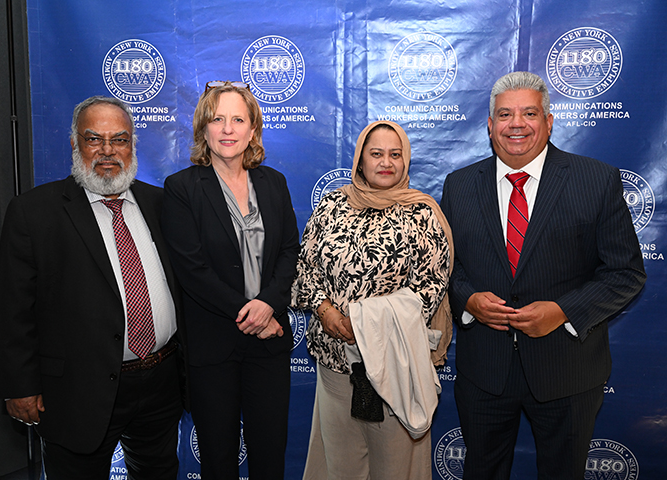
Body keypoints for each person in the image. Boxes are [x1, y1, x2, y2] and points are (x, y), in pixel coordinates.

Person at [440, 71, 646, 479]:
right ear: (490, 125)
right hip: (485, 371)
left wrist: (563, 311)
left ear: (549, 122)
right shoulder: (459, 185)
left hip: (568, 370)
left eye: (529, 113)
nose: (516, 124)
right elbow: (446, 267)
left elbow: (625, 273)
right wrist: (469, 300)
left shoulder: (596, 179)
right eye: (505, 114)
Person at [0, 96, 188, 479]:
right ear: (75, 143)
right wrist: (20, 386)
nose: (107, 151)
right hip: (77, 390)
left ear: (132, 145)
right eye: (94, 139)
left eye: (119, 140)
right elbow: (14, 310)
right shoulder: (34, 213)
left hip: (160, 383)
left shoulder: (161, 204)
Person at [292, 120, 453, 480]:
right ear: (360, 161)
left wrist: (365, 324)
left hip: (396, 365)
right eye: (376, 153)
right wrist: (326, 312)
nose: (386, 162)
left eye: (395, 154)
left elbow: (430, 287)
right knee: (341, 468)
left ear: (406, 160)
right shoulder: (333, 205)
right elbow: (305, 268)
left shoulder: (422, 213)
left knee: (396, 469)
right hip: (336, 364)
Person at [161, 81, 299, 480]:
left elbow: (290, 251)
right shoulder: (182, 188)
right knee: (218, 460)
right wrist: (252, 314)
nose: (227, 129)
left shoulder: (273, 182)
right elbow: (192, 270)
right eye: (217, 119)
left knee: (269, 456)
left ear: (253, 130)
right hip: (213, 346)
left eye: (238, 120)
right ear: (203, 129)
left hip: (269, 343)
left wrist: (268, 304)